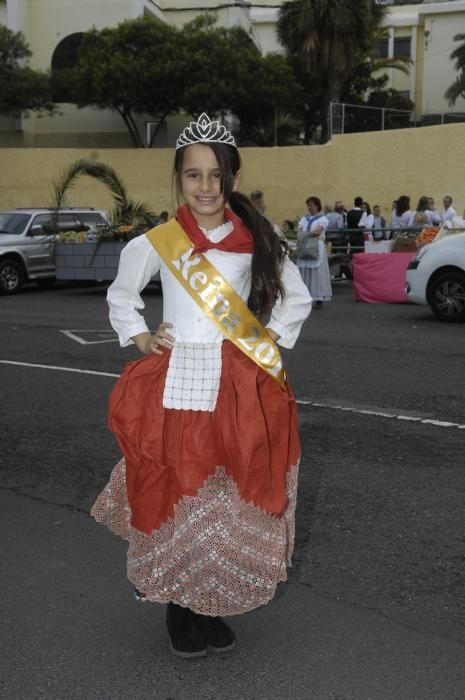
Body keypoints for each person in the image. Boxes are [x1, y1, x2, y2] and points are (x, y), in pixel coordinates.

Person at [91, 113, 312, 659]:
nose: (206, 187)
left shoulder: (257, 238)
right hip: (180, 380)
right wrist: (140, 338)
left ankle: (207, 602)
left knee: (225, 495)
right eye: (194, 175)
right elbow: (122, 292)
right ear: (179, 179)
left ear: (232, 179)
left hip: (238, 386)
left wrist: (265, 346)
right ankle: (178, 605)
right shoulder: (160, 242)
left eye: (216, 175)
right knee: (180, 488)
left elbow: (296, 298)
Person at [296, 196, 332, 308]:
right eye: (308, 205)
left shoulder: (323, 219)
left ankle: (318, 298)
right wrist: (302, 234)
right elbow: (299, 230)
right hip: (304, 245)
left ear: (317, 206)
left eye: (311, 205)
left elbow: (317, 232)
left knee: (317, 272)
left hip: (317, 246)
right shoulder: (304, 219)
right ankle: (305, 297)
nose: (309, 207)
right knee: (304, 271)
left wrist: (305, 235)